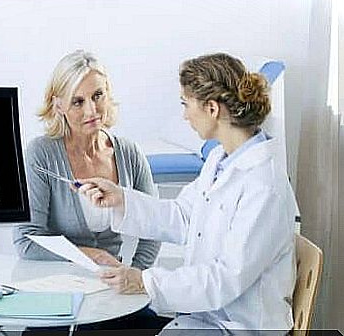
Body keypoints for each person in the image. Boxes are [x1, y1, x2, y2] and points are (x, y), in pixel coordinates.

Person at [77, 53, 298, 335]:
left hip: (240, 327)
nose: (184, 115)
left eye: (186, 103)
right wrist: (120, 198)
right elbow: (183, 216)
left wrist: (144, 282)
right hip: (205, 319)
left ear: (212, 108)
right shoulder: (221, 160)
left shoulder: (264, 185)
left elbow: (226, 278)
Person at [13, 50, 161, 272]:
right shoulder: (41, 154)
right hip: (56, 283)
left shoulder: (129, 153)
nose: (91, 110)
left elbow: (154, 226)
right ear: (59, 106)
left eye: (97, 95)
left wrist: (136, 276)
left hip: (113, 284)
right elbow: (26, 241)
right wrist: (92, 256)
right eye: (78, 102)